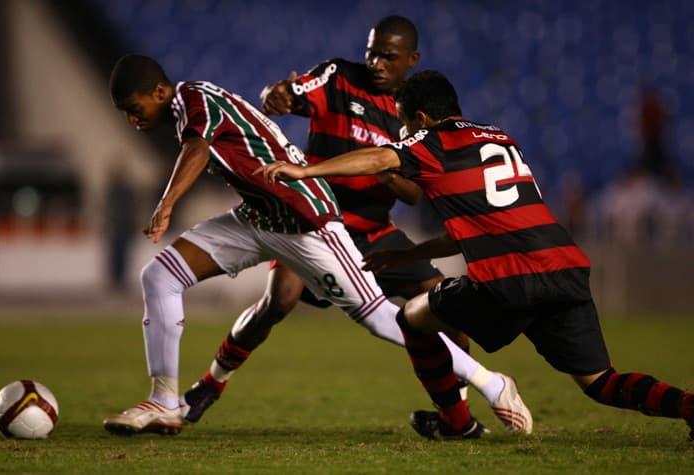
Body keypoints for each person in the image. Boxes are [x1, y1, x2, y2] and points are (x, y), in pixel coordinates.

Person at [101, 55, 529, 437]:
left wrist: (166, 204)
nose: (132, 121)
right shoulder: (186, 109)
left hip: (308, 220)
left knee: (381, 319)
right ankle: (164, 401)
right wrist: (280, 95)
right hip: (258, 217)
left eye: (135, 110)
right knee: (160, 275)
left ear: (159, 92)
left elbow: (199, 146)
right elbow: (246, 123)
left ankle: (493, 383)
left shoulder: (193, 98)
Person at [257, 70, 694, 440]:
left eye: (403, 125)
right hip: (563, 267)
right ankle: (690, 407)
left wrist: (305, 169)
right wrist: (406, 258)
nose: (402, 135)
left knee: (412, 317)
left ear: (421, 118)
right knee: (601, 382)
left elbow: (379, 160)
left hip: (507, 278)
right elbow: (487, 225)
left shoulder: (433, 140)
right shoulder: (502, 137)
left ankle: (456, 422)